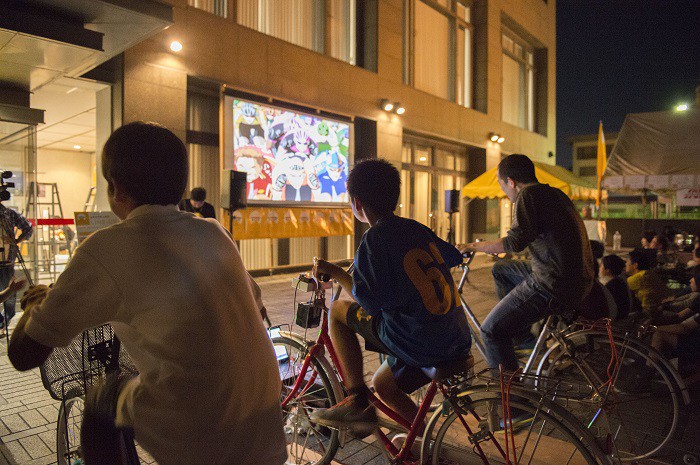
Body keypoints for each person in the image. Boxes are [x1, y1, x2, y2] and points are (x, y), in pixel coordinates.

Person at [8, 122, 287, 465]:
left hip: (202, 428)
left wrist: (38, 303)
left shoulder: (107, 246)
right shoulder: (214, 232)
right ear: (181, 186)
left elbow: (24, 355)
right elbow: (255, 309)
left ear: (117, 190)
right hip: (264, 415)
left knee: (104, 397)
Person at [310, 159, 471, 435]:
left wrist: (336, 272)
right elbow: (453, 256)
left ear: (357, 203)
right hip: (454, 335)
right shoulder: (415, 228)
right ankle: (427, 443)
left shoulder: (375, 238)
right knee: (384, 385)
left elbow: (366, 301)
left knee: (337, 310)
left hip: (419, 340)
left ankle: (356, 399)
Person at [462, 154, 594, 372]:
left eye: (501, 183)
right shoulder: (555, 194)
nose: (503, 190)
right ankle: (521, 339)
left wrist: (473, 246)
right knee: (501, 270)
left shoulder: (528, 195)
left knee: (491, 331)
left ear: (511, 182)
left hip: (553, 283)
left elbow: (513, 243)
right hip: (577, 278)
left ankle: (512, 400)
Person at [0, 199, 33, 336]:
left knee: (9, 296)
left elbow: (28, 227)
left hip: (6, 261)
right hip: (7, 261)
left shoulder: (8, 213)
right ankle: (2, 321)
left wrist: (16, 241)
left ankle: (3, 323)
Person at [626, 247, 672, 320]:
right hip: (658, 311)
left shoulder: (637, 278)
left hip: (646, 316)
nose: (625, 264)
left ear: (635, 265)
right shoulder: (650, 273)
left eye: (627, 262)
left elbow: (620, 289)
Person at [600, 254, 632, 321]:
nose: (599, 268)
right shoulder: (619, 281)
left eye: (601, 266)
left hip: (614, 322)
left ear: (607, 270)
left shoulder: (612, 285)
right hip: (622, 318)